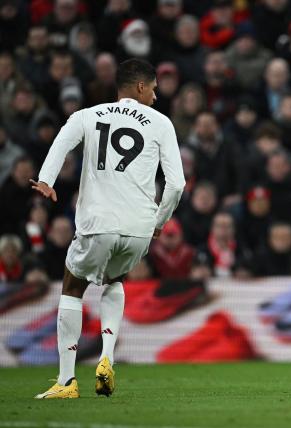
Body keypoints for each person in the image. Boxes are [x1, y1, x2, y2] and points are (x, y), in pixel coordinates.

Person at [31, 59, 185, 399]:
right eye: (155, 90)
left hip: (98, 222)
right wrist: (158, 223)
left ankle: (66, 381)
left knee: (73, 285)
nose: (157, 97)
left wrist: (46, 180)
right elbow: (176, 185)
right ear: (141, 87)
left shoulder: (87, 115)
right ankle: (106, 357)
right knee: (114, 279)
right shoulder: (161, 123)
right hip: (139, 227)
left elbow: (61, 144)